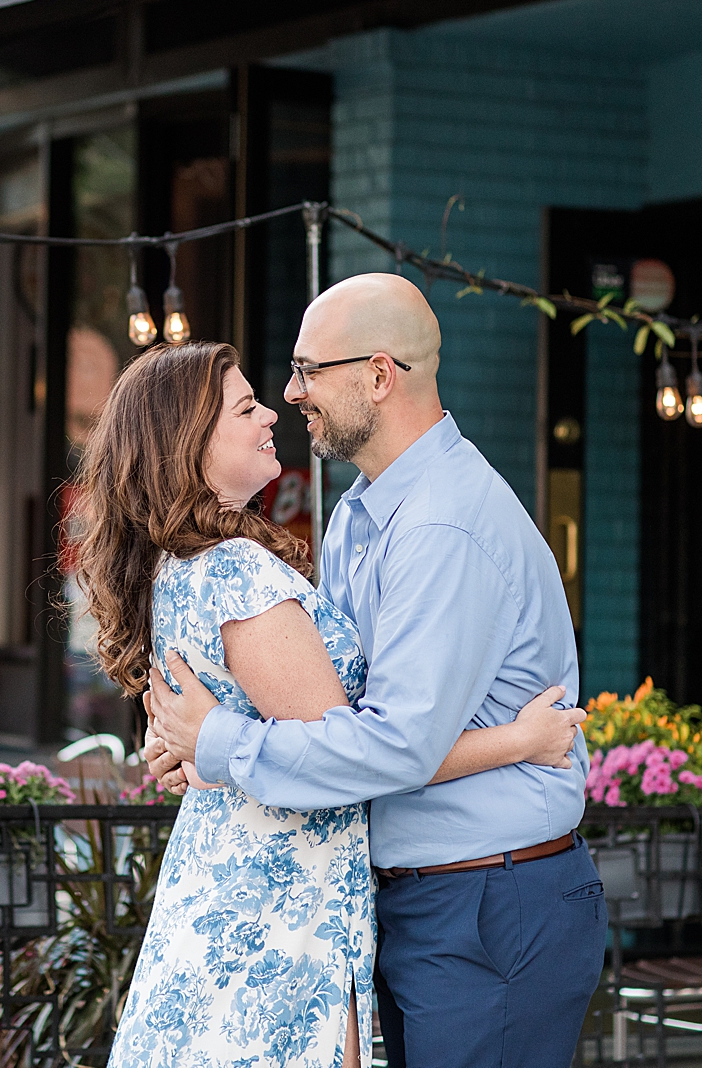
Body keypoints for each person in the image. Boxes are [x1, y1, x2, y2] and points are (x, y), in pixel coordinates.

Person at [69, 339, 587, 1068]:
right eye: (247, 406)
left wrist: (209, 747)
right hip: (282, 896)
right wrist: (519, 741)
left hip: (244, 880)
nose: (276, 407)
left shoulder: (182, 566)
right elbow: (354, 756)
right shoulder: (240, 572)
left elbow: (297, 738)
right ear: (188, 445)